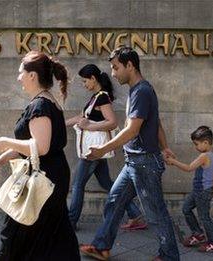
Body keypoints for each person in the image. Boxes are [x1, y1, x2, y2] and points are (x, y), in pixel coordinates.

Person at [79, 46, 180, 261]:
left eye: (116, 68)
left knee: (156, 213)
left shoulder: (142, 91)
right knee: (114, 201)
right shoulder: (138, 90)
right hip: (134, 161)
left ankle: (169, 256)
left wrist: (103, 150)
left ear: (130, 65)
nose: (113, 74)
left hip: (143, 163)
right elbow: (156, 122)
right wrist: (165, 147)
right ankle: (102, 247)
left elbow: (132, 129)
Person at [0, 51, 80, 261]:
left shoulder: (41, 105)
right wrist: (1, 159)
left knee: (20, 233)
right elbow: (31, 145)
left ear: (32, 76)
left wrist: (6, 142)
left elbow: (40, 147)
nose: (19, 78)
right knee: (50, 235)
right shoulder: (46, 102)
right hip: (51, 177)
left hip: (43, 180)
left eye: (21, 72)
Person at [66, 64, 146, 231]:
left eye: (85, 80)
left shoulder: (102, 97)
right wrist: (61, 124)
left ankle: (71, 222)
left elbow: (112, 123)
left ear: (93, 79)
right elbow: (82, 117)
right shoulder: (95, 98)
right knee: (106, 183)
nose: (84, 84)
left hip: (94, 149)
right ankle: (135, 214)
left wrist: (89, 126)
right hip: (96, 148)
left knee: (78, 184)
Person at [165, 126, 213, 252]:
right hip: (199, 191)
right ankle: (198, 233)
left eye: (196, 144)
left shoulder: (204, 156)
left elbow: (189, 168)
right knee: (186, 209)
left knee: (204, 217)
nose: (195, 147)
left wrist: (173, 161)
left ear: (206, 143)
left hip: (202, 192)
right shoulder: (212, 155)